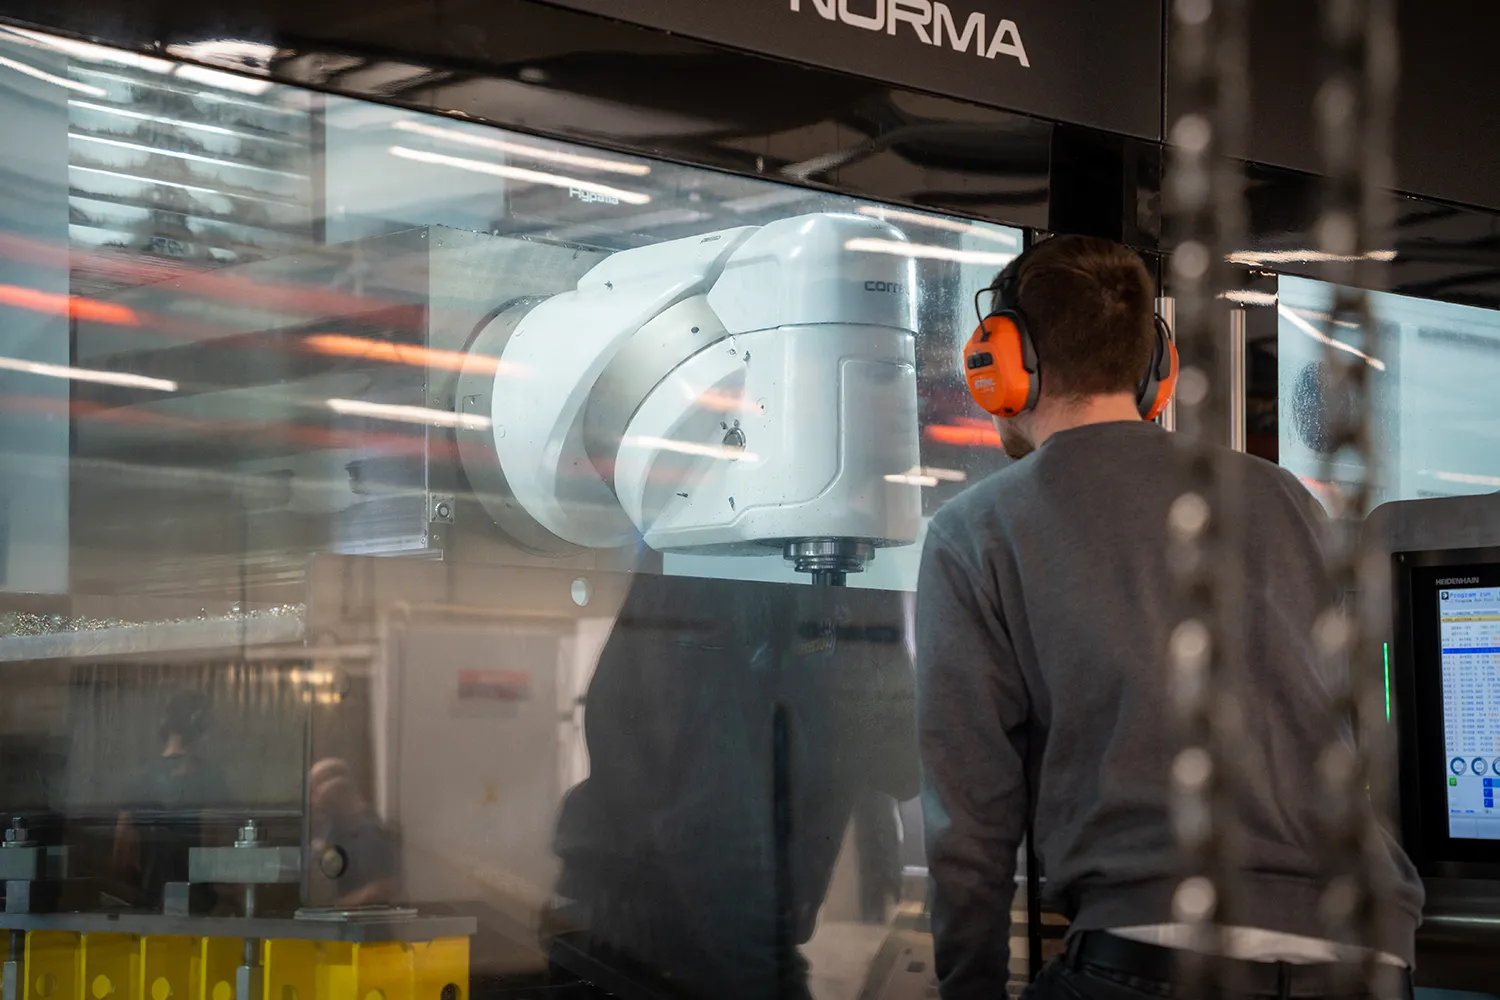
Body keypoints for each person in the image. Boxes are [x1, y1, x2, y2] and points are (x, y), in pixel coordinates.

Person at [915, 235, 1425, 1000]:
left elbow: (971, 821)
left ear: (1002, 364)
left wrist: (970, 986)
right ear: (1157, 370)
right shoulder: (1284, 498)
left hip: (1155, 947)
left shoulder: (977, 530)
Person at [307, 757, 400, 907]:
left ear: (336, 789)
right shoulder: (331, 827)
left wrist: (333, 907)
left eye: (315, 792)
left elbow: (383, 888)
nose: (313, 801)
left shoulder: (370, 833)